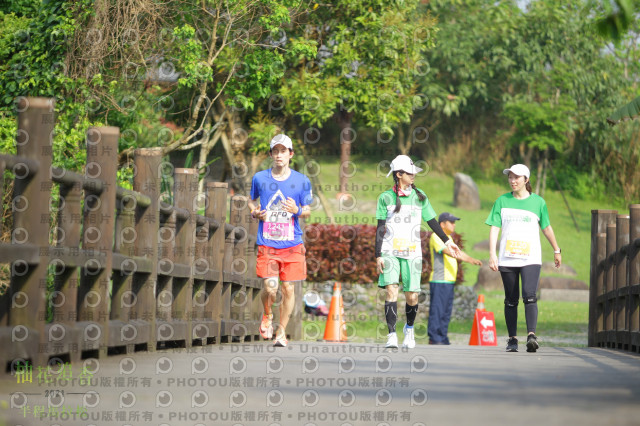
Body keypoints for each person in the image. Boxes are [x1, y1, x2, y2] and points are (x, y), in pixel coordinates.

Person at [375, 155, 461, 349]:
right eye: (410, 172)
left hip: (412, 253)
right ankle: (391, 335)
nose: (414, 175)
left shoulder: (420, 196)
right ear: (399, 175)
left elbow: (432, 222)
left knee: (412, 296)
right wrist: (377, 255)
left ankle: (409, 329)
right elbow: (380, 227)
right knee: (391, 290)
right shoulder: (385, 198)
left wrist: (448, 241)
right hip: (390, 251)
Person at [485, 164, 561, 353]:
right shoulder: (501, 201)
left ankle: (531, 336)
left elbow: (546, 227)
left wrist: (556, 249)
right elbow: (494, 228)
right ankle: (512, 339)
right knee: (511, 299)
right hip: (507, 259)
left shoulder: (538, 202)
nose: (512, 181)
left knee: (529, 295)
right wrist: (493, 254)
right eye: (510, 177)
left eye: (516, 177)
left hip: (531, 258)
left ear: (526, 180)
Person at [248, 134, 312, 347]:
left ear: (290, 154)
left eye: (283, 151)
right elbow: (251, 201)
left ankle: (281, 332)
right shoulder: (260, 178)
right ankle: (267, 314)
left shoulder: (302, 181)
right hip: (267, 243)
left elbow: (308, 210)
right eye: (275, 151)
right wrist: (255, 212)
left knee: (289, 289)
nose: (279, 155)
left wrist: (297, 210)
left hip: (292, 244)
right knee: (271, 288)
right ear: (271, 154)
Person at [427, 212, 482, 345]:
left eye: (454, 222)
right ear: (442, 224)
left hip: (449, 280)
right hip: (439, 280)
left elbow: (455, 251)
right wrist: (469, 259)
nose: (454, 224)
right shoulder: (436, 236)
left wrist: (471, 259)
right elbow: (450, 252)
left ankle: (442, 336)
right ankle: (434, 337)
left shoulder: (448, 238)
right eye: (451, 222)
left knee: (446, 311)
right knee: (438, 309)